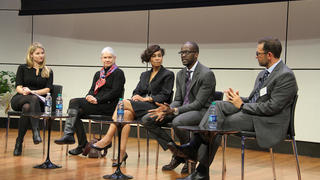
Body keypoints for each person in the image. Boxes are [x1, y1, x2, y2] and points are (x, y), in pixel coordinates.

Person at [167, 37, 299, 180]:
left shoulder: (285, 75)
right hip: (253, 113)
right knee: (216, 105)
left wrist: (242, 105)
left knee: (217, 124)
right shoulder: (263, 73)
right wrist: (237, 99)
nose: (256, 56)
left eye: (258, 53)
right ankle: (195, 156)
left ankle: (199, 166)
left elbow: (273, 107)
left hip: (267, 121)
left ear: (269, 55)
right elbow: (255, 100)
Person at [91, 45, 174, 166]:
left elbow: (165, 96)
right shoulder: (144, 75)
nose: (157, 58)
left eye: (159, 56)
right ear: (149, 58)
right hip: (141, 106)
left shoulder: (168, 74)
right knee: (126, 114)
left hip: (156, 107)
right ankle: (122, 153)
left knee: (122, 103)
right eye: (154, 56)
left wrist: (146, 99)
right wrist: (136, 97)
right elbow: (137, 91)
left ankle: (107, 138)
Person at [143, 41, 216, 174]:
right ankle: (179, 152)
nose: (183, 55)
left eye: (187, 52)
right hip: (183, 110)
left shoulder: (206, 74)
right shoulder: (181, 74)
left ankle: (189, 156)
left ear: (196, 54)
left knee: (178, 122)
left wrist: (174, 110)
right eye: (181, 52)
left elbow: (198, 103)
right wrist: (167, 109)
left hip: (201, 111)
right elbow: (178, 100)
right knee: (148, 119)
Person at [54, 47, 125, 156]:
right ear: (101, 59)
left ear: (114, 58)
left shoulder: (118, 73)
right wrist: (89, 96)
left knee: (74, 103)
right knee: (75, 110)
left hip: (110, 107)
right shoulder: (98, 74)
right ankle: (82, 144)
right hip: (97, 104)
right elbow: (92, 89)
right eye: (105, 57)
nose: (107, 60)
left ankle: (69, 135)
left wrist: (98, 99)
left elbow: (115, 92)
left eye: (110, 57)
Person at [11, 42, 53, 156]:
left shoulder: (48, 70)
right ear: (31, 55)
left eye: (42, 53)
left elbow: (48, 89)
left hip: (38, 101)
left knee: (27, 107)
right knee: (28, 102)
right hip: (21, 98)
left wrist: (33, 92)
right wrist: (24, 91)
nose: (41, 56)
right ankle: (36, 131)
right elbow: (18, 86)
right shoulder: (23, 68)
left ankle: (19, 142)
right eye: (38, 53)